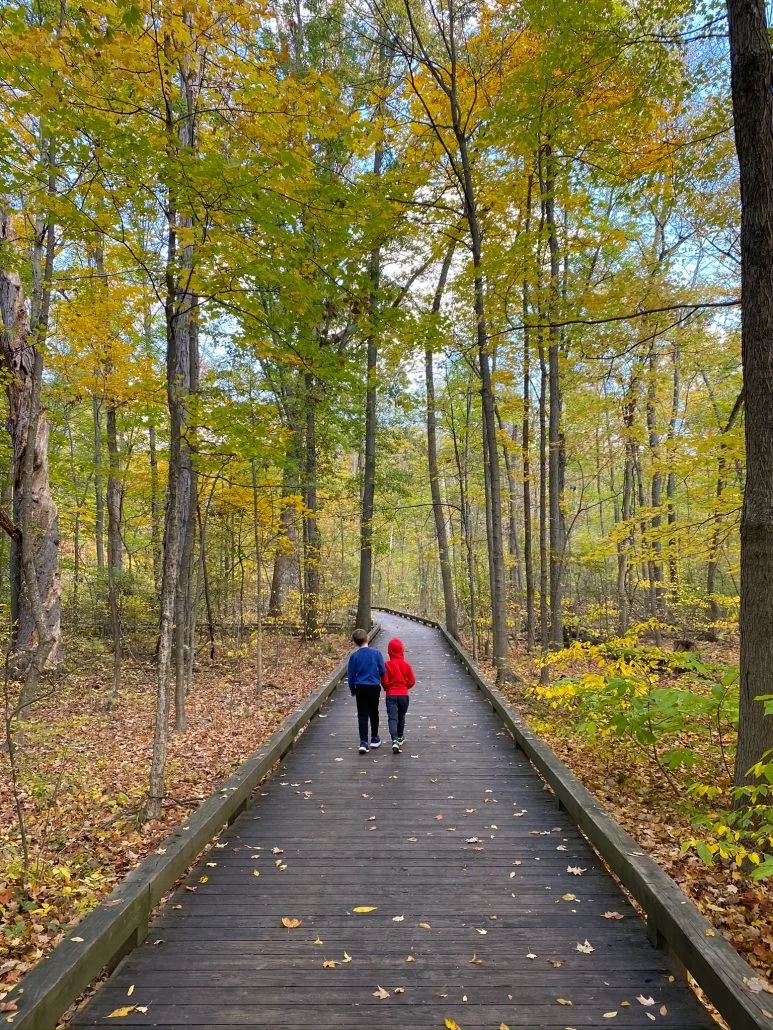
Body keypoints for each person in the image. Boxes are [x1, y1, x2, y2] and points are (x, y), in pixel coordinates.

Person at [347, 628, 386, 754]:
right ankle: (374, 738)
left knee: (362, 714)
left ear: (355, 642)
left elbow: (351, 675)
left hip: (361, 688)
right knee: (374, 712)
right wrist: (379, 677)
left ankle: (363, 742)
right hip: (374, 687)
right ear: (367, 638)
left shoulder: (354, 656)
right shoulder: (376, 653)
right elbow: (383, 670)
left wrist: (352, 689)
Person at [381, 637, 415, 754]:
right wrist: (405, 687)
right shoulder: (407, 665)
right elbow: (412, 681)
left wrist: (387, 688)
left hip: (391, 695)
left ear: (389, 651)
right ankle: (400, 737)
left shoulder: (386, 665)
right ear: (402, 650)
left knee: (392, 718)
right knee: (401, 717)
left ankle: (394, 739)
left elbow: (384, 681)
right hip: (404, 696)